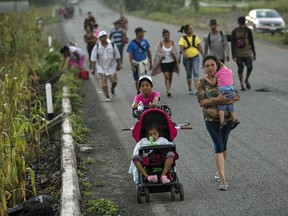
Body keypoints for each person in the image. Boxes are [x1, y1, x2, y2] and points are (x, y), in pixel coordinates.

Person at [197, 55, 240, 191]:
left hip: (226, 119)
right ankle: (222, 179)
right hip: (211, 120)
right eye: (207, 66)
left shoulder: (224, 76)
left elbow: (236, 95)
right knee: (218, 146)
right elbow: (202, 102)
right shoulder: (202, 82)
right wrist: (218, 99)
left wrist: (226, 100)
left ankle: (218, 171)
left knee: (224, 146)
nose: (210, 68)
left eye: (212, 65)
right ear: (204, 68)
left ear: (217, 65)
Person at [204, 62, 240, 130]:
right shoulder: (230, 71)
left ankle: (222, 122)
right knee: (230, 104)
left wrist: (207, 78)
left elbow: (213, 83)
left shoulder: (218, 73)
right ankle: (235, 119)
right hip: (232, 91)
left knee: (221, 107)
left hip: (224, 91)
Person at [90, 31, 121, 102]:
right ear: (99, 38)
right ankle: (107, 96)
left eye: (104, 36)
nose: (103, 38)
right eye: (101, 37)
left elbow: (117, 56)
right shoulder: (97, 47)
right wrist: (93, 68)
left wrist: (119, 65)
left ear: (106, 37)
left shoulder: (112, 45)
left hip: (111, 66)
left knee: (114, 81)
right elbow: (93, 58)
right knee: (103, 83)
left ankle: (112, 88)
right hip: (101, 67)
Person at [151, 29, 179, 97]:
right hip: (164, 62)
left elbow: (176, 52)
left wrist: (174, 54)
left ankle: (168, 88)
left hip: (171, 62)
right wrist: (161, 56)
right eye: (166, 35)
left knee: (170, 76)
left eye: (168, 35)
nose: (167, 36)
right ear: (163, 36)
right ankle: (168, 90)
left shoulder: (172, 43)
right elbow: (157, 53)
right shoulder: (160, 44)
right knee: (166, 76)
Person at [231, 16, 256, 91]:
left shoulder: (248, 31)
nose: (242, 25)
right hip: (238, 54)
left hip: (247, 53)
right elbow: (232, 44)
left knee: (250, 67)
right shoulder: (234, 32)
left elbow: (251, 42)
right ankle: (242, 84)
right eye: (240, 24)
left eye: (243, 24)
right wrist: (233, 55)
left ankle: (246, 79)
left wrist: (254, 53)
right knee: (240, 69)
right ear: (238, 23)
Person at [178, 24, 204, 95]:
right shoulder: (182, 39)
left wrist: (203, 55)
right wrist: (184, 54)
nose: (192, 30)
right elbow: (181, 49)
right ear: (186, 31)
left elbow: (199, 47)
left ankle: (197, 88)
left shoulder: (196, 38)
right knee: (188, 73)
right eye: (190, 29)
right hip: (187, 59)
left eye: (192, 29)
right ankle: (189, 88)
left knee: (196, 71)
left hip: (195, 57)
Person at [127, 27, 152, 94]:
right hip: (136, 63)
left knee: (144, 77)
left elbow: (148, 51)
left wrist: (151, 62)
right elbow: (130, 54)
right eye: (142, 32)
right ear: (138, 33)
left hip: (144, 63)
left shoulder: (145, 41)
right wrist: (132, 65)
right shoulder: (132, 43)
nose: (143, 34)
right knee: (136, 78)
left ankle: (144, 91)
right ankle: (138, 91)